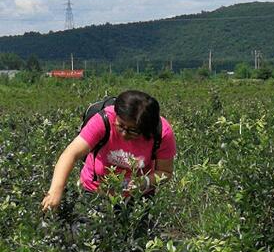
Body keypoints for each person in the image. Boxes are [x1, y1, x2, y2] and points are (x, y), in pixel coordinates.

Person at [42, 90, 176, 211]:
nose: (124, 133)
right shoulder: (104, 120)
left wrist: (144, 182)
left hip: (138, 198)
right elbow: (70, 154)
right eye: (121, 126)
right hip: (94, 193)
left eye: (133, 131)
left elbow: (165, 172)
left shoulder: (162, 132)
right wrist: (56, 190)